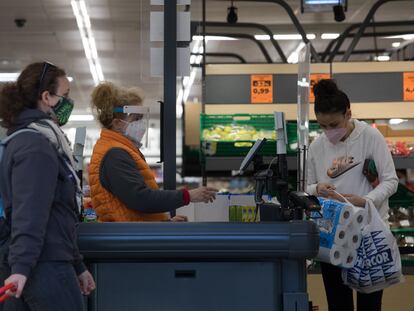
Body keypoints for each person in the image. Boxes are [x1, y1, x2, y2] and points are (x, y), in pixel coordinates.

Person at [0, 62, 95, 310]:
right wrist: (20, 268)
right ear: (47, 97)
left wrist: (78, 265)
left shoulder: (38, 140)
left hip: (45, 261)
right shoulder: (35, 146)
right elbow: (29, 213)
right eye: (64, 96)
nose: (68, 102)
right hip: (43, 267)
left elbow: (58, 214)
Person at [306, 79, 398, 311]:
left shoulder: (370, 137)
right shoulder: (317, 147)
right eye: (323, 126)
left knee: (370, 305)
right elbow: (307, 187)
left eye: (334, 125)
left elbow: (391, 181)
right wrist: (318, 189)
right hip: (333, 237)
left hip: (369, 236)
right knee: (338, 304)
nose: (329, 133)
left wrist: (365, 200)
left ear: (348, 113)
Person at [89, 82, 217, 222]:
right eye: (136, 119)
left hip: (131, 235)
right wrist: (187, 196)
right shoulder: (115, 154)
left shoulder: (119, 149)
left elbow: (131, 208)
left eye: (141, 118)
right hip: (128, 240)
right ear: (117, 123)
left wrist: (163, 223)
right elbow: (140, 198)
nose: (141, 124)